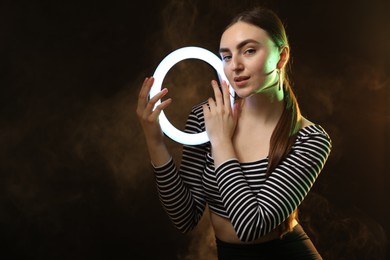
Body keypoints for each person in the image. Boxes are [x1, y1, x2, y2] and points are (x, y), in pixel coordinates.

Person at [136, 6, 332, 260]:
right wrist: (154, 139)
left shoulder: (311, 139)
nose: (235, 65)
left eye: (249, 51)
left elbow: (250, 226)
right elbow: (185, 217)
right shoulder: (205, 118)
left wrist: (221, 140)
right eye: (226, 56)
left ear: (281, 57)